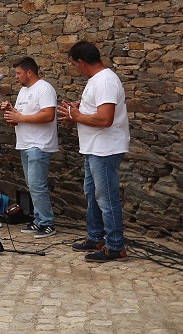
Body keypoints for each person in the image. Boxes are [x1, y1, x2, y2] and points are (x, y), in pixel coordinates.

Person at [57, 41, 130, 262]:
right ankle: (96, 237)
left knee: (106, 198)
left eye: (74, 64)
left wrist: (77, 116)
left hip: (105, 149)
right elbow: (93, 114)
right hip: (93, 148)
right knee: (93, 195)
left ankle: (116, 246)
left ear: (80, 62)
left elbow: (105, 118)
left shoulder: (105, 81)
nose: (75, 69)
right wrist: (75, 114)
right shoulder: (95, 81)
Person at [1, 56, 58, 238]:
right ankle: (39, 219)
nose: (16, 77)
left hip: (39, 144)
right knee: (31, 184)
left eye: (18, 73)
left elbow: (48, 115)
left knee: (37, 184)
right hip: (25, 143)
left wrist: (21, 118)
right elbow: (19, 118)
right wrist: (10, 112)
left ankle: (47, 222)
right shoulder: (23, 92)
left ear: (29, 72)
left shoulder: (44, 88)